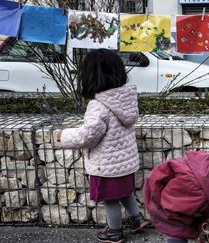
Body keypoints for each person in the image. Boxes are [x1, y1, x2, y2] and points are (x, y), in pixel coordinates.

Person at [57, 49, 148, 243]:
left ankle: (114, 231)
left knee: (110, 199)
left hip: (106, 165)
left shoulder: (98, 105)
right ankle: (136, 219)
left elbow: (88, 136)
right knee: (125, 192)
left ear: (91, 76)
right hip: (125, 162)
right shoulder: (126, 98)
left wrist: (63, 136)